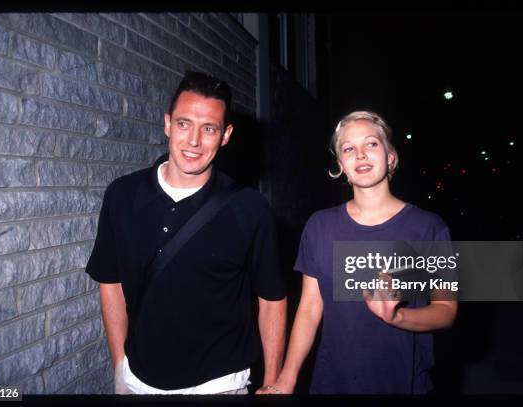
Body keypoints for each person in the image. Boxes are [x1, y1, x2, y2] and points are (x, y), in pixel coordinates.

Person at [85, 71, 287, 395]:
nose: (194, 141)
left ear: (226, 135)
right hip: (139, 381)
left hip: (221, 384)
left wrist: (273, 383)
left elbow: (272, 299)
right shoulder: (122, 195)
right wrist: (120, 366)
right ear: (167, 123)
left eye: (209, 129)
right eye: (183, 124)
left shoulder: (250, 207)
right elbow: (111, 282)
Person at [257, 111, 457, 394]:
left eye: (371, 144)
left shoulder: (427, 228)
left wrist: (397, 317)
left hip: (404, 383)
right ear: (340, 165)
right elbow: (310, 308)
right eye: (349, 148)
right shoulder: (319, 226)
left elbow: (446, 311)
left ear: (390, 156)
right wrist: (286, 381)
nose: (360, 154)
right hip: (331, 384)